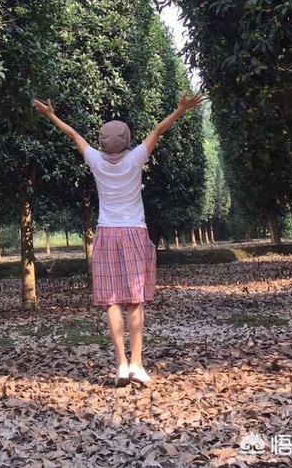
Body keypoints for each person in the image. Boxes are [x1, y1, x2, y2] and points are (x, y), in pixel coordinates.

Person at [32, 92, 203, 387]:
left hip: (106, 233)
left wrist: (51, 115)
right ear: (126, 140)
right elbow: (159, 130)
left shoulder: (95, 161)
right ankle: (137, 364)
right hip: (134, 232)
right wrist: (180, 109)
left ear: (102, 142)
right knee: (135, 301)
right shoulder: (136, 158)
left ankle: (121, 365)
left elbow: (74, 134)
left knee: (112, 302)